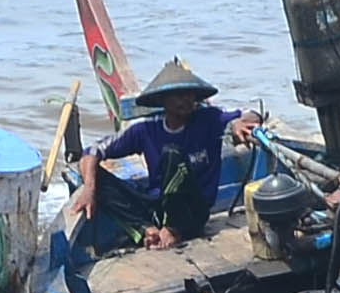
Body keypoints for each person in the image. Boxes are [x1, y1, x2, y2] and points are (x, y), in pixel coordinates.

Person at [83, 60, 236, 252]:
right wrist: (89, 190)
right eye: (179, 95)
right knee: (93, 174)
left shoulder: (209, 119)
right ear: (163, 100)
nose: (186, 100)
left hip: (193, 212)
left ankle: (172, 229)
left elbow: (247, 116)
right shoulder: (146, 129)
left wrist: (238, 125)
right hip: (157, 207)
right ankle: (147, 229)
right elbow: (92, 152)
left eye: (190, 95)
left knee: (172, 155)